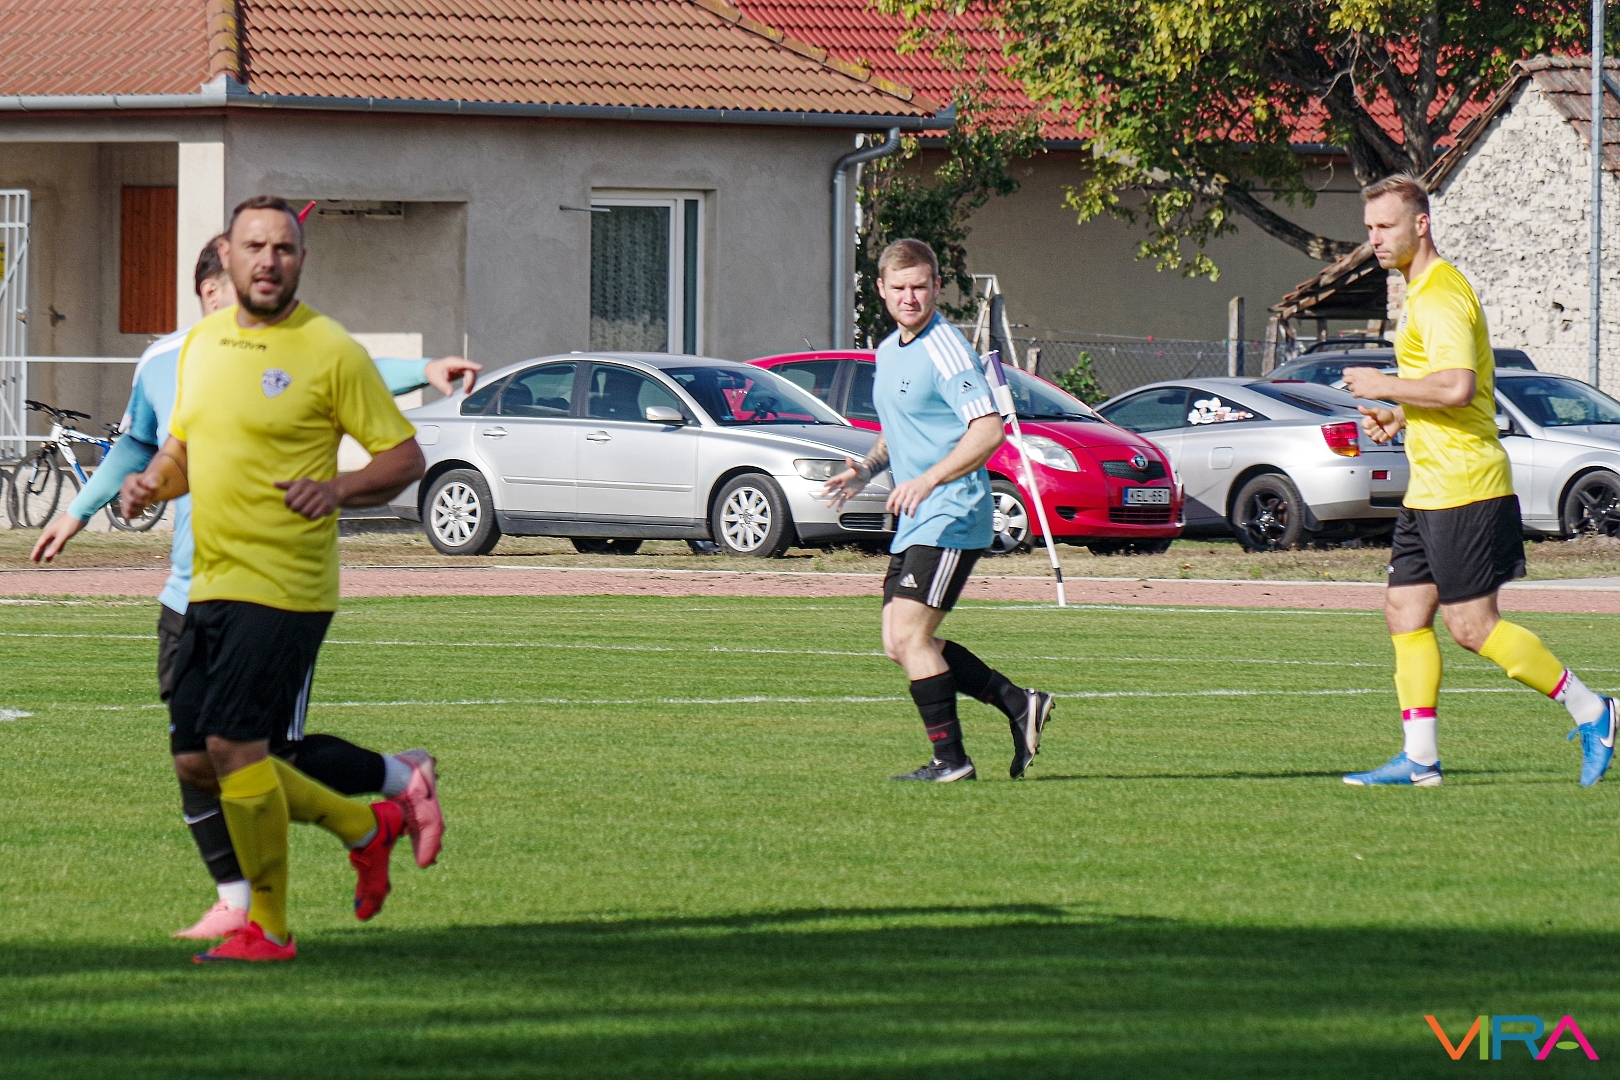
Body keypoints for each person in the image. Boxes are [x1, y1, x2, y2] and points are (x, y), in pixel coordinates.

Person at [32, 237, 468, 941]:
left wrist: (422, 370)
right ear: (208, 290)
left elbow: (354, 373)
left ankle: (389, 791)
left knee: (259, 755)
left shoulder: (294, 350)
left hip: (272, 587)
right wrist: (80, 511)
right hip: (186, 590)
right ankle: (247, 893)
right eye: (231, 282)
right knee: (196, 759)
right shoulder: (169, 361)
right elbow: (143, 445)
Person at [119, 196, 428, 962]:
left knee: (236, 748)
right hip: (208, 585)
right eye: (254, 247)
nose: (268, 261)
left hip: (287, 586)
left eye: (283, 249)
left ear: (300, 261)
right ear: (225, 257)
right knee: (196, 761)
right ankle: (367, 825)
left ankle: (270, 929)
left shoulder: (329, 350)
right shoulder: (201, 346)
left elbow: (404, 458)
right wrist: (152, 484)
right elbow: (183, 448)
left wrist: (339, 489)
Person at [1342, 173, 1615, 788]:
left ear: (1421, 224)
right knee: (1405, 611)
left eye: (1386, 226)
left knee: (1471, 627)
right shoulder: (1422, 292)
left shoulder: (1439, 294)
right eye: (1369, 228)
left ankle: (1593, 711)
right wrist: (1399, 414)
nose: (1375, 239)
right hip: (1430, 488)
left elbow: (1459, 386)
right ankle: (1420, 761)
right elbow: (1454, 388)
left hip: (1465, 485)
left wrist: (1383, 385)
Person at [821, 238, 1054, 782]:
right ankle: (1018, 703)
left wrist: (929, 479)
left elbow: (989, 431)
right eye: (900, 287)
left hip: (953, 511)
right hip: (918, 517)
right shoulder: (888, 350)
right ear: (881, 289)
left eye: (920, 287)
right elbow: (899, 430)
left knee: (910, 636)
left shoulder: (946, 349)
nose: (910, 297)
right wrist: (865, 470)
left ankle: (952, 762)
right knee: (897, 642)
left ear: (936, 287)